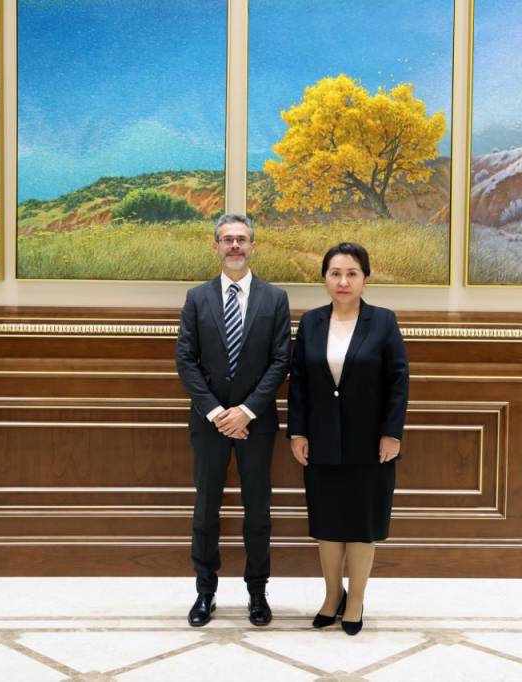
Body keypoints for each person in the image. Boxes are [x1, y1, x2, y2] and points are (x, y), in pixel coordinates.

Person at [286, 242, 409, 636]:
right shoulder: (311, 322)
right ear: (324, 278)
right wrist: (297, 432)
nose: (343, 281)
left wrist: (392, 433)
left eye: (352, 273)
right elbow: (299, 382)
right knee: (327, 524)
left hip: (370, 443)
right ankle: (331, 596)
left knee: (362, 524)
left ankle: (355, 600)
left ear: (365, 279)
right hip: (321, 440)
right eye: (335, 273)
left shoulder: (383, 321)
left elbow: (398, 382)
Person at [175, 213, 291, 627]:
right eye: (228, 239)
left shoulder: (275, 298)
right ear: (216, 247)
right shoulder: (197, 298)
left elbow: (281, 361)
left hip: (256, 423)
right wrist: (217, 412)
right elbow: (186, 360)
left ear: (253, 246)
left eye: (242, 239)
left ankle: (257, 592)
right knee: (206, 508)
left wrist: (246, 411)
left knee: (258, 510)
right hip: (208, 422)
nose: (235, 245)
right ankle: (205, 592)